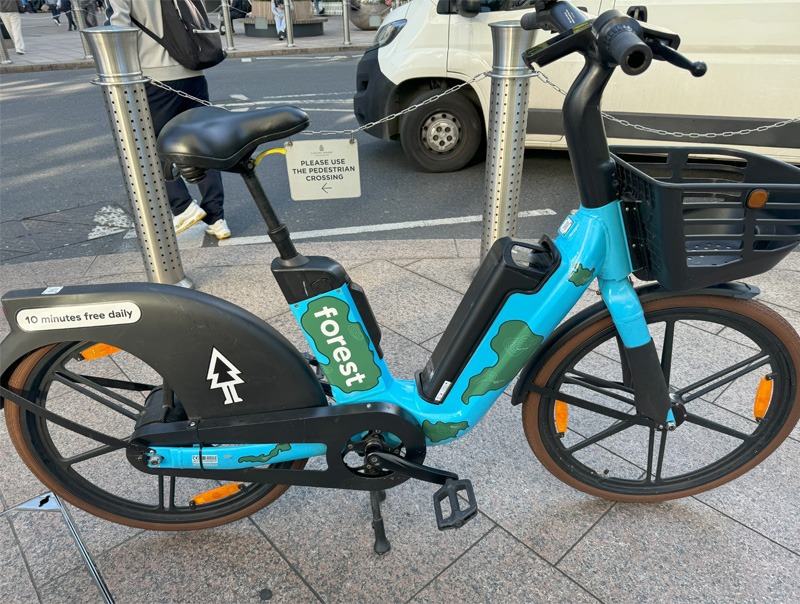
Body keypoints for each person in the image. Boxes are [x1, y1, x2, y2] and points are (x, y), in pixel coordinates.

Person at [106, 0, 230, 239]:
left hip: (154, 75)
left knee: (149, 146)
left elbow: (118, 29)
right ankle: (217, 218)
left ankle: (183, 206)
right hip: (193, 71)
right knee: (203, 144)